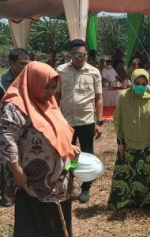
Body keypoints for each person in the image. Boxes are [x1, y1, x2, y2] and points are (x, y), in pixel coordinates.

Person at [0, 61, 80, 237]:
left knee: (58, 211)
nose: (51, 92)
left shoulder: (49, 103)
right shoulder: (15, 106)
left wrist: (69, 148)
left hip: (58, 174)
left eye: (54, 88)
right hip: (31, 177)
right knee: (30, 214)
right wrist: (17, 171)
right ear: (33, 82)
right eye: (47, 87)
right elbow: (7, 140)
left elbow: (58, 130)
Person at [108, 69, 150, 211]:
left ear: (148, 83)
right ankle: (124, 202)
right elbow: (118, 120)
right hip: (128, 143)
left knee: (148, 173)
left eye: (144, 83)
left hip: (148, 143)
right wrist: (120, 143)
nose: (140, 86)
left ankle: (149, 202)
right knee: (126, 174)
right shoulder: (124, 97)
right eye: (137, 83)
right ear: (132, 82)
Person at [56, 39, 103, 204]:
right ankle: (67, 186)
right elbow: (56, 96)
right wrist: (55, 119)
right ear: (70, 54)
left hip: (87, 121)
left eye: (83, 54)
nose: (80, 57)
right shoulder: (61, 71)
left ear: (86, 55)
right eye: (76, 54)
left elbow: (98, 98)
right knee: (67, 155)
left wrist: (99, 122)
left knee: (87, 154)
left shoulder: (94, 72)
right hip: (66, 122)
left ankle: (85, 188)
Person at [0, 48, 30, 207]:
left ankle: (22, 191)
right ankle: (6, 194)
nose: (25, 66)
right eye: (21, 63)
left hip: (27, 128)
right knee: (8, 160)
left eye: (27, 63)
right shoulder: (0, 82)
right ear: (11, 63)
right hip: (9, 128)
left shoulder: (30, 79)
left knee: (24, 159)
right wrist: (9, 116)